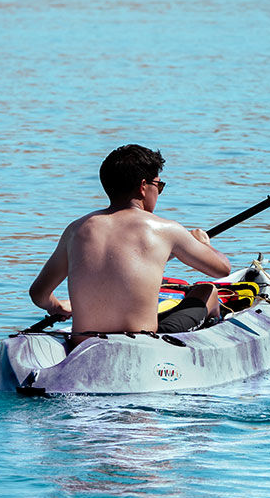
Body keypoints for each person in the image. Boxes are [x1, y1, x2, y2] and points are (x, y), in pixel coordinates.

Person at [27, 144, 232, 352]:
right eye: (159, 186)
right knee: (208, 291)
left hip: (83, 342)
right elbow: (222, 269)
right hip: (142, 345)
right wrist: (204, 244)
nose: (159, 193)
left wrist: (58, 306)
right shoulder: (166, 229)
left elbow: (38, 293)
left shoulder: (76, 229)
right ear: (143, 186)